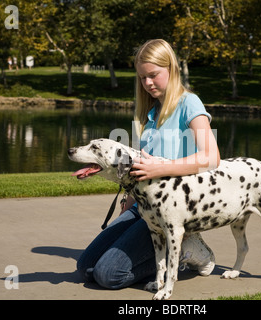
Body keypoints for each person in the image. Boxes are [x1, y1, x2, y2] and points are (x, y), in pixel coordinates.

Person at [76, 39, 220, 290]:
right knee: (85, 266)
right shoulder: (150, 113)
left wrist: (161, 168)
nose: (147, 83)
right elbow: (141, 169)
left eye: (153, 75)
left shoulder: (189, 103)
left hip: (172, 208)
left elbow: (211, 157)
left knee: (108, 275)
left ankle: (188, 250)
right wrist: (129, 203)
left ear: (172, 69)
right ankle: (172, 251)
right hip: (143, 204)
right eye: (142, 78)